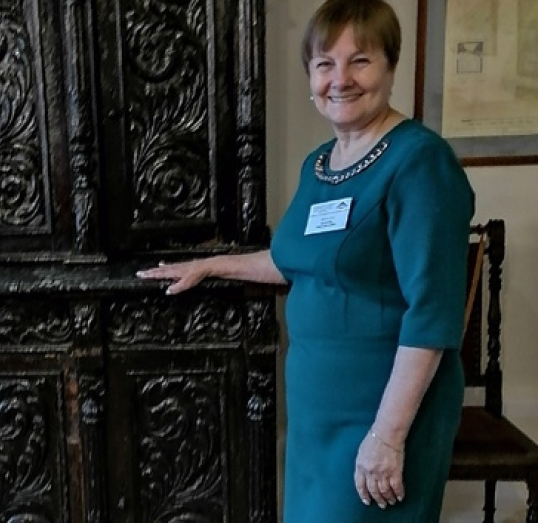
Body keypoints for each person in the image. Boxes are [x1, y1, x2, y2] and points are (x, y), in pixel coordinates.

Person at [136, 0, 474, 521]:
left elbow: (432, 313)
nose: (340, 79)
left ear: (390, 65)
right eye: (324, 64)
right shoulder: (319, 164)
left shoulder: (420, 161)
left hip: (383, 415)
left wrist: (386, 436)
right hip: (317, 416)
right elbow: (297, 260)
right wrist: (211, 265)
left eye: (360, 61)